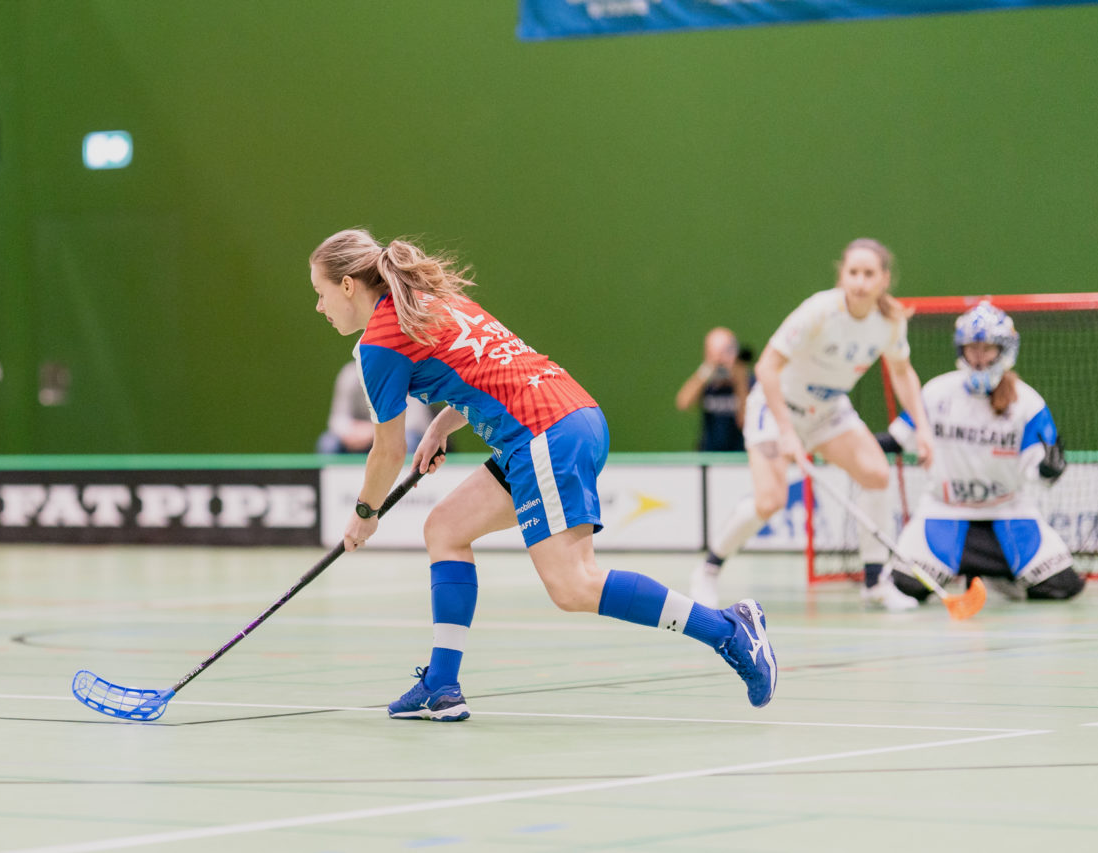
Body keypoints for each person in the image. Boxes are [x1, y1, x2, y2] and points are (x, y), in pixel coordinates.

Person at [309, 228, 778, 721]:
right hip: (566, 417)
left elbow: (386, 452)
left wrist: (366, 513)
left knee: (574, 585)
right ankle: (441, 685)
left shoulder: (379, 343)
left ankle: (728, 630)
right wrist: (440, 428)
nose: (320, 307)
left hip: (542, 434)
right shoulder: (430, 302)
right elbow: (490, 371)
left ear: (346, 286)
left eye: (320, 294)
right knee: (445, 529)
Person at [690, 239, 934, 610]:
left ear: (884, 279)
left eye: (869, 274)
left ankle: (874, 582)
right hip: (775, 409)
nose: (860, 282)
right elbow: (766, 367)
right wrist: (787, 432)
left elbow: (902, 372)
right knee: (769, 501)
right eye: (853, 272)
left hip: (828, 411)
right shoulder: (819, 311)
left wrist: (924, 429)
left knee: (877, 474)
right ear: (842, 274)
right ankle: (708, 569)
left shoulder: (890, 320)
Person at [881, 302, 1084, 602]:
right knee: (905, 586)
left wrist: (1049, 470)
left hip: (1007, 511)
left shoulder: (1027, 404)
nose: (978, 357)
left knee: (1062, 587)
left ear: (1004, 350)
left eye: (987, 348)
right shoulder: (936, 393)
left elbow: (1038, 470)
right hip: (944, 510)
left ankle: (993, 575)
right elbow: (899, 438)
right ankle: (972, 568)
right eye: (971, 347)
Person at [315, 360, 435, 454]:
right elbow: (338, 419)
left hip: (395, 434)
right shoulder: (350, 373)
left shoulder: (407, 373)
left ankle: (404, 484)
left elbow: (415, 422)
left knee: (409, 440)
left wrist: (375, 432)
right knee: (328, 443)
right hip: (361, 438)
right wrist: (351, 432)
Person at [675, 327, 750, 452]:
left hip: (740, 458)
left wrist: (740, 383)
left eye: (726, 352)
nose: (722, 360)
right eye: (715, 353)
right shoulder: (707, 385)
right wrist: (705, 372)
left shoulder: (750, 384)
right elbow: (683, 403)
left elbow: (744, 422)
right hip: (709, 456)